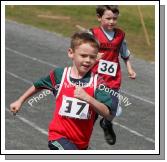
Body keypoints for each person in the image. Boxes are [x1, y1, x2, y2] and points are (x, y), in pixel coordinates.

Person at [10, 32, 114, 150]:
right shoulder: (60, 75)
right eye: (83, 55)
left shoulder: (98, 82)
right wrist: (20, 100)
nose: (88, 60)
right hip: (58, 137)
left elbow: (107, 113)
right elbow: (39, 85)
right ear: (71, 53)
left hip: (82, 143)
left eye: (92, 57)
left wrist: (88, 98)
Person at [89, 5, 136, 145]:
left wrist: (130, 69)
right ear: (99, 18)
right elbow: (82, 51)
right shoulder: (92, 33)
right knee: (91, 111)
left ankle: (106, 124)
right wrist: (93, 56)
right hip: (94, 77)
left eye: (114, 19)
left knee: (113, 109)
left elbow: (125, 54)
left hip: (113, 79)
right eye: (108, 18)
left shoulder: (120, 35)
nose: (111, 22)